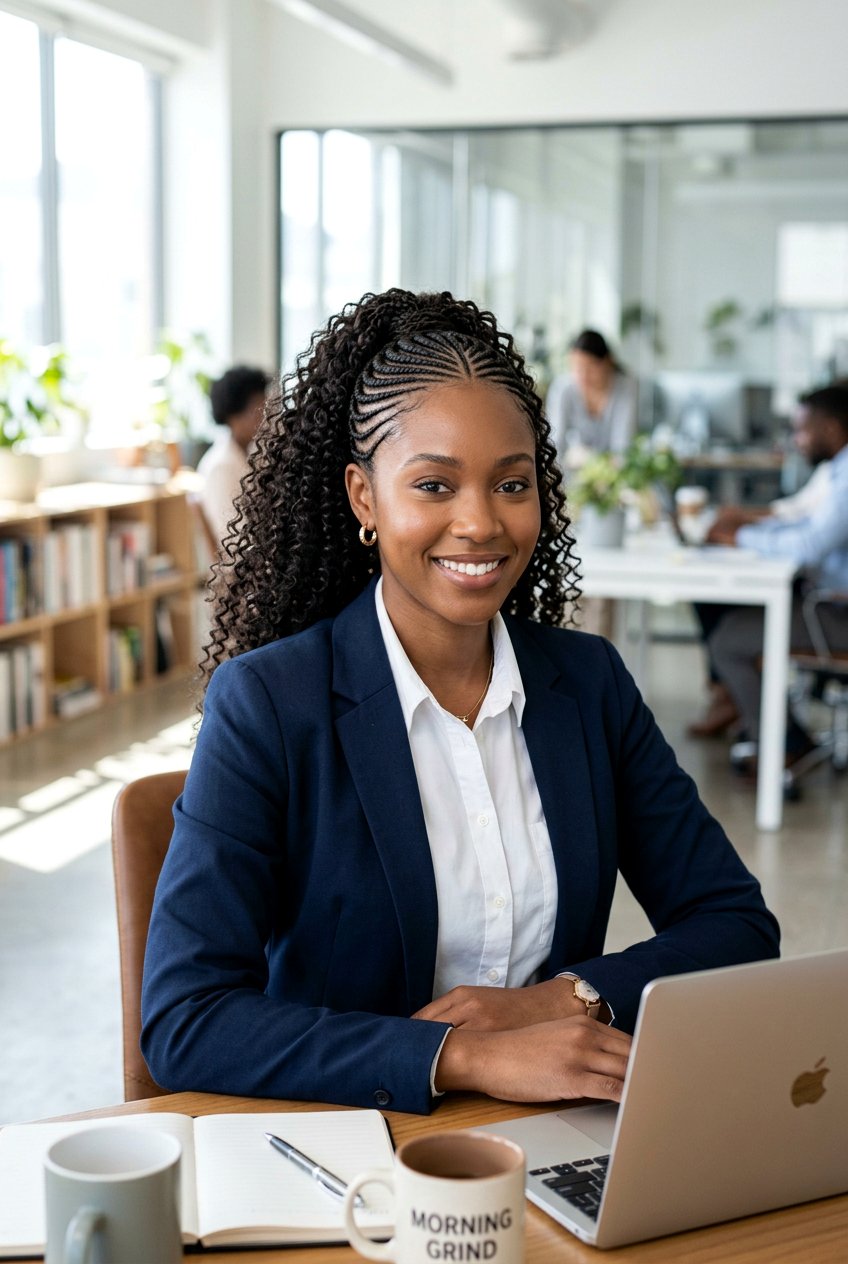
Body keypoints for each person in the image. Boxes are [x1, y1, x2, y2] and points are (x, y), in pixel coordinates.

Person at [141, 289, 778, 1116]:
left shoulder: (587, 685)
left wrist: (563, 1000)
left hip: (551, 1140)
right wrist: (461, 1055)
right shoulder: (269, 703)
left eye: (511, 485)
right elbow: (187, 1020)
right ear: (365, 499)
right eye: (434, 485)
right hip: (348, 1141)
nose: (480, 523)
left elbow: (734, 924)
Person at [706, 385, 848, 772]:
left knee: (729, 642)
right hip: (827, 602)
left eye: (803, 429)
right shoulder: (836, 471)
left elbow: (808, 544)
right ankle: (777, 731)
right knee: (725, 614)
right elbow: (801, 518)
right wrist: (744, 530)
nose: (796, 439)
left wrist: (739, 537)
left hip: (835, 612)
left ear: (832, 429)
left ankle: (785, 744)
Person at [196, 365, 270, 548]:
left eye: (264, 403)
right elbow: (233, 541)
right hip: (245, 567)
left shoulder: (254, 453)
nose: (264, 414)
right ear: (233, 414)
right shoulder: (220, 466)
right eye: (256, 407)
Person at [545, 328, 637, 463]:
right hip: (568, 472)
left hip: (611, 473)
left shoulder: (625, 388)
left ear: (608, 362)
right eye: (577, 367)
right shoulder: (563, 389)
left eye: (590, 367)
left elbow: (623, 447)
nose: (583, 375)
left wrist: (591, 459)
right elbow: (555, 442)